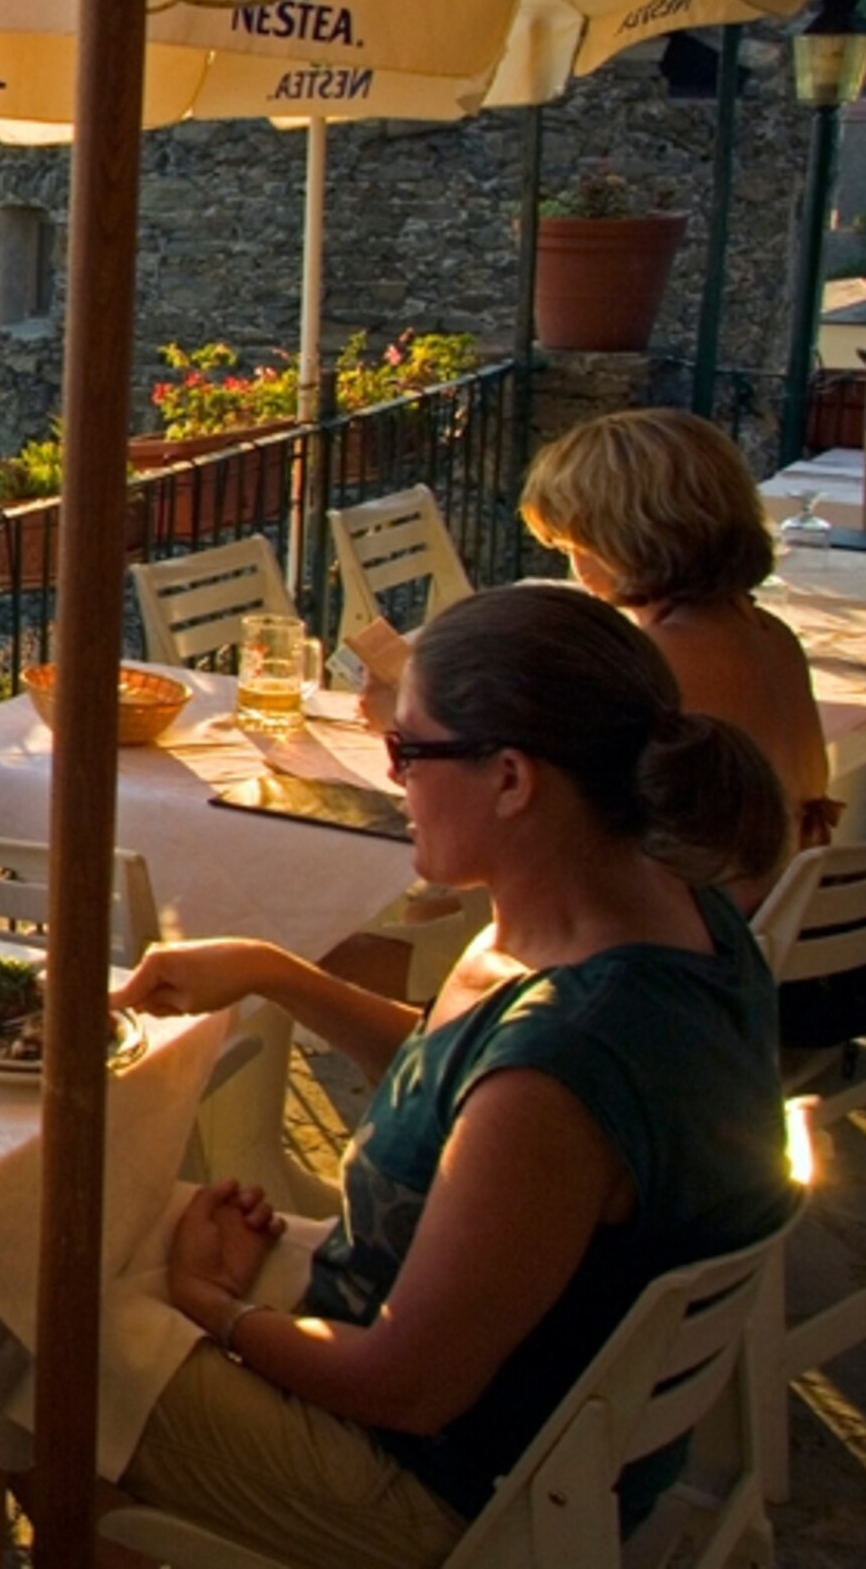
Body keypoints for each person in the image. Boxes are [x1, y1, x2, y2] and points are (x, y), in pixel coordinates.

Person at [85, 586, 793, 1569]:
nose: (393, 776)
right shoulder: (675, 915)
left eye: (410, 750)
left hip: (452, 1493)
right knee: (89, 1243)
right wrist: (275, 972)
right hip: (532, 1409)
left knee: (44, 1332)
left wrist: (215, 1305)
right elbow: (458, 1083)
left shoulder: (563, 1067)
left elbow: (402, 1386)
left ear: (510, 778)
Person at [519, 407, 866, 1044]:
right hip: (816, 943)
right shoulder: (769, 632)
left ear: (641, 537)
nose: (577, 569)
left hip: (731, 984)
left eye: (581, 546)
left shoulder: (661, 661)